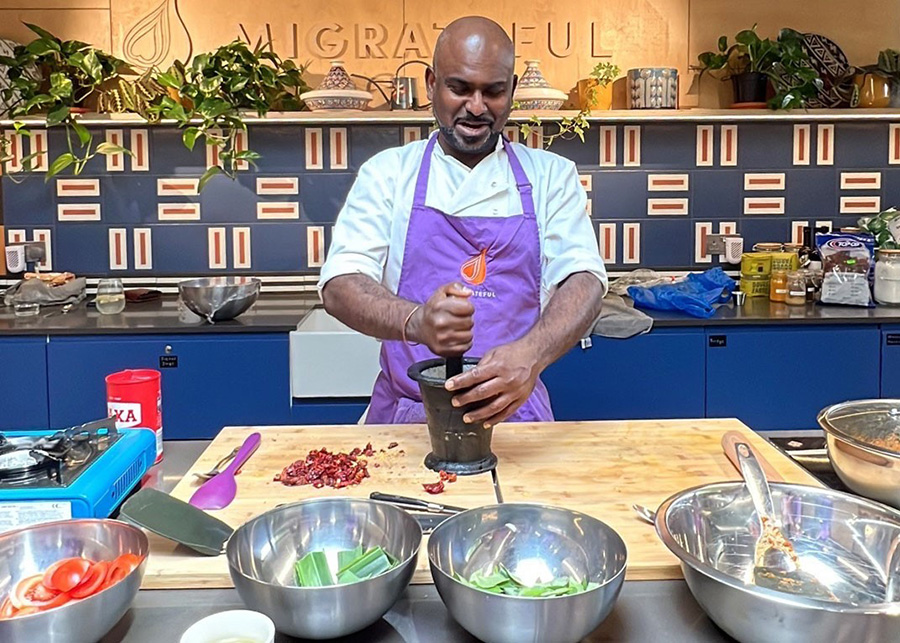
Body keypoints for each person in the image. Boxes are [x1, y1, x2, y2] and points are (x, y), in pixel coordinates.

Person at [318, 16, 607, 428]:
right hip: (406, 419)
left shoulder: (551, 176)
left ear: (511, 91)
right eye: (460, 88)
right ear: (432, 83)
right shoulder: (388, 173)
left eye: (493, 91)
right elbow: (340, 284)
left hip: (515, 416)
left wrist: (531, 355)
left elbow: (585, 281)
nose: (476, 107)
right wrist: (414, 322)